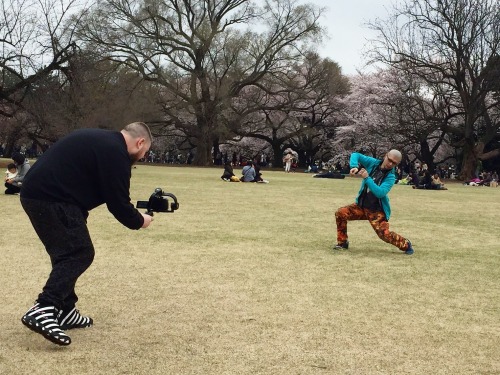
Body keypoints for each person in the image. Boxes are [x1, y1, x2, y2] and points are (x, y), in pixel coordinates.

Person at [19, 122, 154, 346]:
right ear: (140, 142)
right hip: (51, 197)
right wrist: (140, 221)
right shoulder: (116, 153)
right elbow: (118, 202)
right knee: (79, 253)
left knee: (65, 253)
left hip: (41, 194)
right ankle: (44, 307)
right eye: (145, 152)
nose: (142, 157)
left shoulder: (102, 141)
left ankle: (65, 309)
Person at [334, 150, 414, 255]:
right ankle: (342, 242)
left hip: (376, 211)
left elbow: (380, 193)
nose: (390, 164)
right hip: (361, 206)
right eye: (389, 160)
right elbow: (355, 155)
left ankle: (406, 244)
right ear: (385, 155)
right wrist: (354, 166)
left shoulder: (390, 177)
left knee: (384, 235)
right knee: (341, 213)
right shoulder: (373, 163)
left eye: (394, 163)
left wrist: (367, 178)